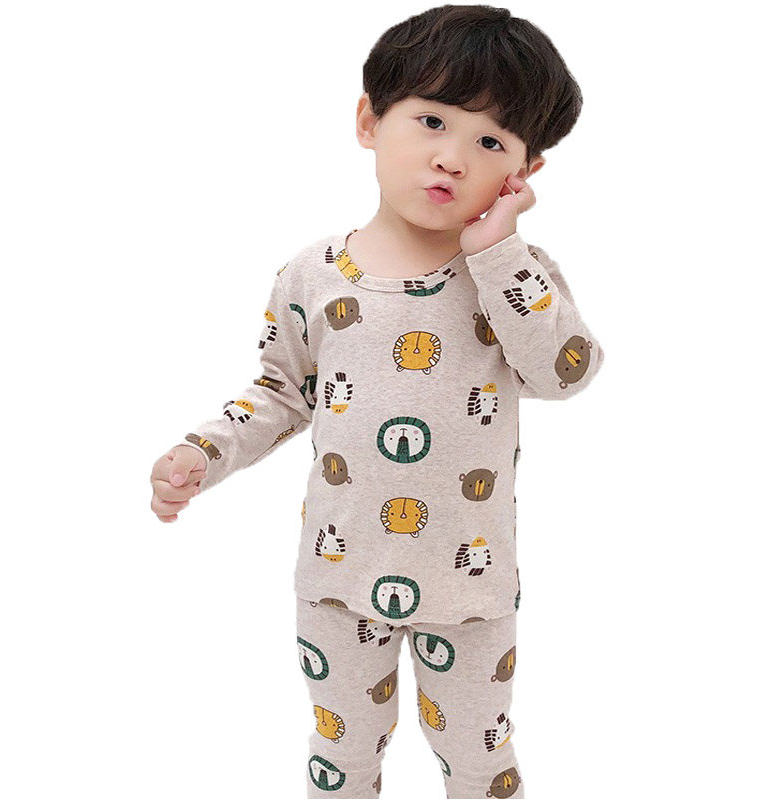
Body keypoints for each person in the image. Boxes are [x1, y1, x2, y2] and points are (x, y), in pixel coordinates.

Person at [149, 5, 604, 797]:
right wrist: (203, 451)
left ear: (524, 173)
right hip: (339, 578)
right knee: (343, 759)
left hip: (469, 589)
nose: (452, 158)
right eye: (432, 121)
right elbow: (280, 392)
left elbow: (564, 373)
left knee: (480, 762)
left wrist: (497, 253)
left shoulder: (513, 275)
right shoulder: (312, 275)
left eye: (491, 142)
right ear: (369, 121)